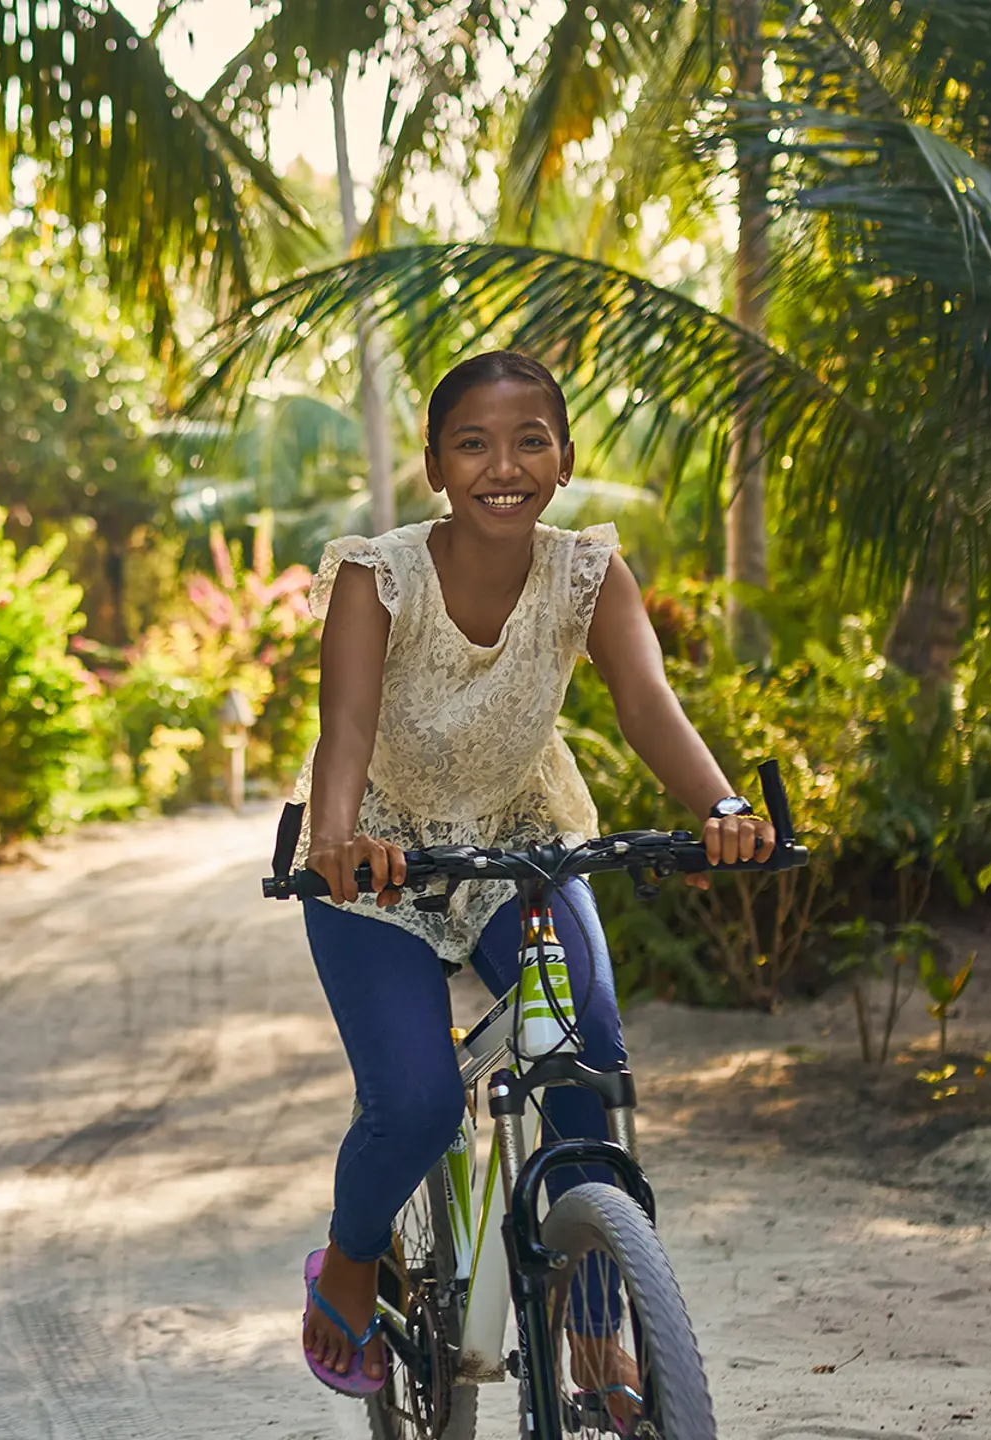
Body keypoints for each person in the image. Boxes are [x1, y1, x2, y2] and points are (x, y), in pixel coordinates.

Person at [293, 350, 774, 1408]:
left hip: (525, 842)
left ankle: (597, 1333)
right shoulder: (380, 574)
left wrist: (724, 810)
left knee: (584, 1062)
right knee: (416, 1103)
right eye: (473, 442)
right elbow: (347, 728)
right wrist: (334, 839)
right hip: (379, 856)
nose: (502, 465)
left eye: (529, 440)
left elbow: (648, 705)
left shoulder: (587, 573)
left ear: (563, 459)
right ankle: (351, 1258)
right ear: (434, 465)